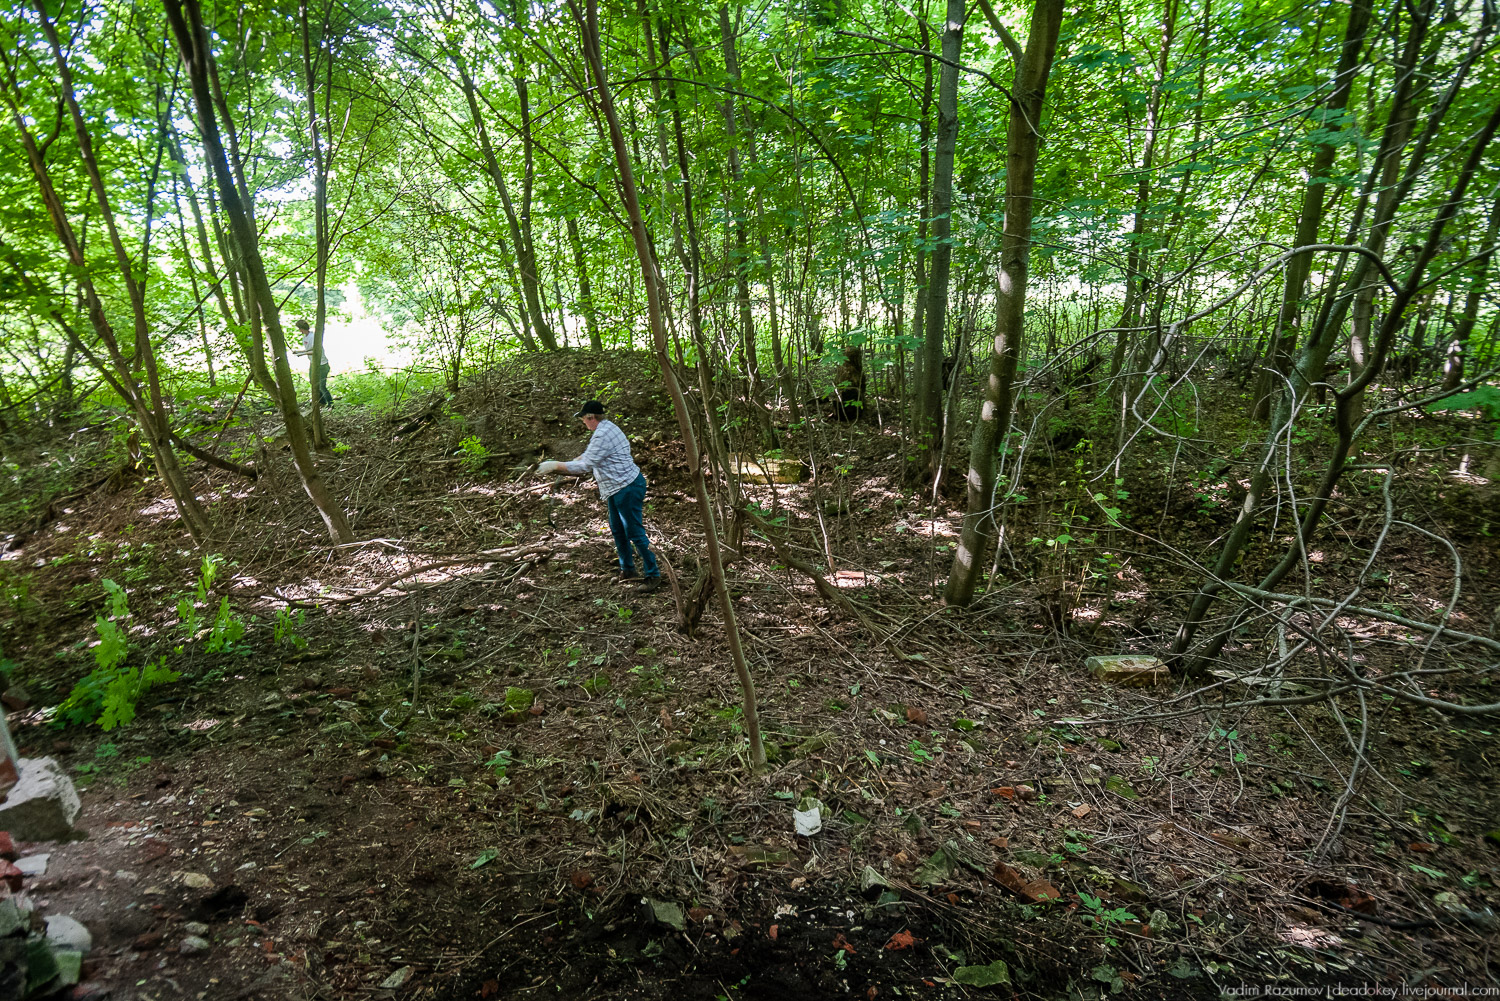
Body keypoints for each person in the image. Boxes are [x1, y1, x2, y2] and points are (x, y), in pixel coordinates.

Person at [538, 400, 660, 593]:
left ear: (591, 417)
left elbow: (585, 465)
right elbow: (588, 457)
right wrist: (565, 463)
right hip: (616, 488)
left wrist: (556, 466)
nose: (583, 423)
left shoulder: (603, 434)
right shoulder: (606, 428)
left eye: (583, 419)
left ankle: (653, 575)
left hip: (626, 487)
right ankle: (628, 570)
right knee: (618, 530)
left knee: (634, 532)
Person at [292, 319, 333, 407]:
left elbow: (316, 351)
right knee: (313, 382)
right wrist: (298, 352)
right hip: (313, 363)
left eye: (300, 329)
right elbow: (309, 350)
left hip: (322, 364)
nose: (299, 331)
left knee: (322, 385)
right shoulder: (305, 338)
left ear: (302, 328)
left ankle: (330, 403)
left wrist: (302, 354)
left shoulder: (313, 336)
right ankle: (322, 402)